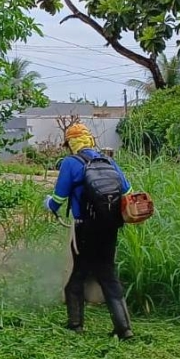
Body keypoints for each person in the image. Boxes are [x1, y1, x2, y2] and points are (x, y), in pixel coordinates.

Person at [45, 123, 134, 339]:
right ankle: (124, 328)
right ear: (90, 140)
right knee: (108, 275)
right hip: (110, 227)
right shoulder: (108, 161)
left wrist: (48, 204)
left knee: (78, 274)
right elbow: (128, 191)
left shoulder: (70, 162)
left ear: (70, 144)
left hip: (84, 228)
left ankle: (75, 325)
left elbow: (58, 198)